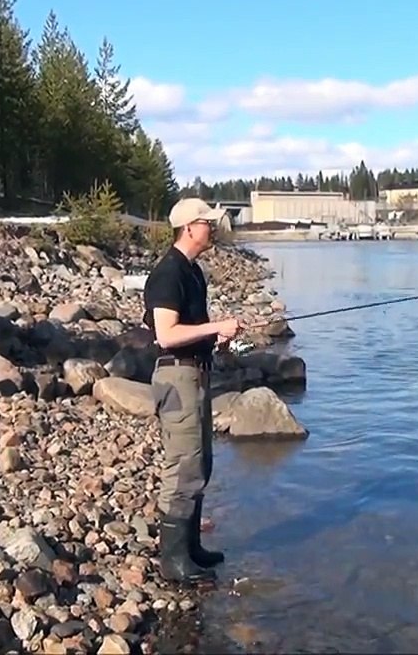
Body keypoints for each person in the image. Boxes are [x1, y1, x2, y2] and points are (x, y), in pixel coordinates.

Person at [142, 198, 242, 585]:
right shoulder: (168, 273)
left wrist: (217, 338)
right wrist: (216, 326)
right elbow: (166, 335)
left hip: (196, 373)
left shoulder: (193, 272)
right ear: (189, 228)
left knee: (201, 465)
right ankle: (173, 562)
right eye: (208, 223)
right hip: (177, 378)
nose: (213, 228)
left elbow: (192, 328)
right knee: (183, 469)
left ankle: (192, 549)